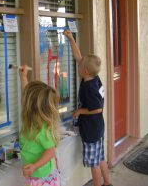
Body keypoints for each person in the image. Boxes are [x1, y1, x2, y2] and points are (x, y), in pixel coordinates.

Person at [63, 30, 112, 186]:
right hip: (97, 128)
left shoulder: (89, 87)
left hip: (91, 131)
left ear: (84, 70)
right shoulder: (93, 77)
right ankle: (107, 183)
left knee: (94, 164)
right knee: (100, 158)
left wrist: (79, 111)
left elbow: (97, 108)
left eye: (80, 64)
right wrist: (71, 38)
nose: (78, 63)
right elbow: (79, 58)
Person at [19, 65, 61, 186]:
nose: (22, 98)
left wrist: (34, 166)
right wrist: (23, 76)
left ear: (30, 105)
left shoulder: (41, 128)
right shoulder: (33, 118)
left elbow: (51, 150)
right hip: (36, 175)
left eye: (24, 97)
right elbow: (27, 91)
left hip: (42, 178)